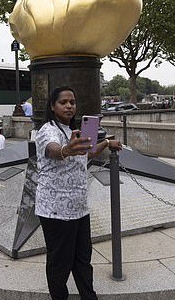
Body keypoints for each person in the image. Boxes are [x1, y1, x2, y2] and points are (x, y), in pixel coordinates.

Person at [35, 86, 122, 300]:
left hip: (79, 208)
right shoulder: (48, 130)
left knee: (83, 258)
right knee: (60, 262)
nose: (69, 106)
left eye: (72, 102)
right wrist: (66, 150)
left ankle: (88, 296)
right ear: (52, 106)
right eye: (63, 102)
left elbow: (87, 152)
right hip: (55, 210)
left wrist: (107, 142)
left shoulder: (72, 131)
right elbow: (54, 150)